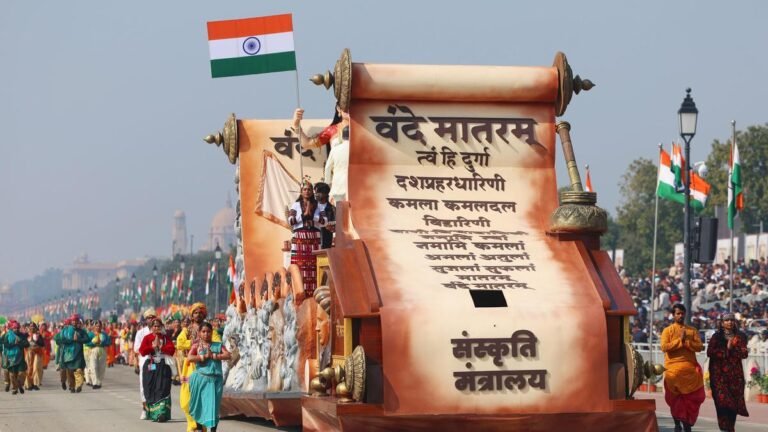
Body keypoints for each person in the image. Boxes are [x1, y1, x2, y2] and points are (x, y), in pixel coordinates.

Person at [661, 304, 706, 432]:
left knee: (690, 400)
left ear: (685, 314)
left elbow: (699, 347)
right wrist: (679, 341)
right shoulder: (667, 331)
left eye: (682, 313)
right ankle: (677, 424)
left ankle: (687, 424)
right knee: (675, 399)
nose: (680, 316)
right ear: (673, 315)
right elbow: (664, 347)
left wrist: (687, 342)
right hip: (673, 370)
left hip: (689, 370)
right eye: (678, 313)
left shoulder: (692, 330)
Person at [178, 303, 221, 432]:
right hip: (190, 366)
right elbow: (180, 343)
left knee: (204, 398)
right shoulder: (187, 330)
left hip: (206, 366)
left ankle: (199, 426)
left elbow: (218, 342)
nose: (198, 315)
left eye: (200, 312)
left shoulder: (209, 330)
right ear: (192, 315)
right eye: (195, 313)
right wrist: (193, 343)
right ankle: (193, 424)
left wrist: (206, 344)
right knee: (186, 400)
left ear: (204, 315)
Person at [707, 313, 750, 432]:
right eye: (727, 320)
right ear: (722, 323)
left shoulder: (740, 337)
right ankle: (724, 427)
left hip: (735, 377)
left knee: (733, 405)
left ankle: (730, 427)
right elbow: (710, 352)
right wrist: (727, 350)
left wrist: (732, 349)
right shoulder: (716, 337)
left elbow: (744, 353)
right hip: (719, 377)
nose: (730, 322)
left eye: (731, 320)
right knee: (722, 403)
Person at [187, 322, 231, 432]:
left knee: (214, 407)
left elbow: (228, 355)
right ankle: (199, 429)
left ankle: (213, 430)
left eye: (208, 332)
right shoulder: (196, 345)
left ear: (212, 333)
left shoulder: (218, 345)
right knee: (199, 405)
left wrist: (214, 355)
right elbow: (189, 358)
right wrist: (203, 357)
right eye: (203, 332)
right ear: (199, 333)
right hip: (200, 379)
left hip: (215, 381)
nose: (206, 334)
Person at [287, 180, 321, 297]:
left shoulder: (317, 205)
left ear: (312, 192)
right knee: (300, 267)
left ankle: (315, 294)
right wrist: (302, 216)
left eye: (309, 190)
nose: (307, 192)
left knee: (314, 266)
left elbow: (324, 220)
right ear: (301, 192)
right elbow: (290, 221)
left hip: (314, 239)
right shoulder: (296, 205)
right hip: (300, 239)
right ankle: (299, 292)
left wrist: (312, 215)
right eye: (305, 189)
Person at [139, 318, 176, 422]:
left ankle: (162, 413)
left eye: (158, 326)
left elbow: (172, 350)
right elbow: (142, 351)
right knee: (150, 388)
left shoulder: (165, 338)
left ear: (162, 327)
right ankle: (152, 413)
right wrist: (152, 347)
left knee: (163, 387)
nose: (156, 328)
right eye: (154, 326)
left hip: (163, 366)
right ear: (151, 327)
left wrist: (161, 346)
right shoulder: (147, 338)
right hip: (151, 364)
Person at [55, 314, 88, 393]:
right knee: (69, 371)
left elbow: (87, 339)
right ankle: (71, 386)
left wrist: (79, 339)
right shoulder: (65, 331)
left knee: (79, 370)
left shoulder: (81, 331)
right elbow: (58, 339)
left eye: (76, 321)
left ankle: (79, 385)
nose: (74, 322)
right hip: (67, 354)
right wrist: (70, 340)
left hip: (78, 355)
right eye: (72, 321)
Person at [134, 309, 156, 419]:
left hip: (158, 362)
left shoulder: (161, 332)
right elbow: (137, 349)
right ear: (146, 320)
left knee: (157, 385)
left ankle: (156, 410)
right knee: (144, 386)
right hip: (145, 362)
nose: (151, 319)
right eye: (148, 318)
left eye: (153, 317)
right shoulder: (141, 332)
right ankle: (145, 409)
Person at [1, 320, 29, 395]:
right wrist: (14, 344)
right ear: (11, 328)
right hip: (11, 359)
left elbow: (27, 344)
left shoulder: (22, 335)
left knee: (22, 373)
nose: (16, 329)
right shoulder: (7, 335)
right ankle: (14, 388)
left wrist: (19, 343)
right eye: (14, 328)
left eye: (17, 328)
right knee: (12, 375)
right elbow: (5, 345)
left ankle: (19, 385)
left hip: (20, 358)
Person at [324, 125, 349, 203]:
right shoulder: (357, 148)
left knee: (339, 212)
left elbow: (328, 167)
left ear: (342, 136)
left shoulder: (335, 149)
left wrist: (328, 183)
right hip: (354, 186)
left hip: (338, 186)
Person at [85, 320, 111, 389]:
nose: (98, 327)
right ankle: (95, 383)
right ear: (94, 326)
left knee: (101, 368)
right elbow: (86, 343)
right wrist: (93, 343)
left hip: (102, 351)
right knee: (93, 367)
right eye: (96, 326)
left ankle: (99, 382)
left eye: (99, 326)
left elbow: (109, 342)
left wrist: (102, 343)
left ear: (101, 326)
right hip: (93, 351)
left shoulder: (104, 334)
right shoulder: (90, 334)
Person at [314, 182, 336, 249]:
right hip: (312, 243)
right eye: (315, 192)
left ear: (325, 194)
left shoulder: (332, 209)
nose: (316, 195)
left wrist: (332, 228)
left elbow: (336, 227)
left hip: (326, 245)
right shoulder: (312, 207)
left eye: (318, 192)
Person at [25, 322, 44, 390]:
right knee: (29, 369)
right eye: (31, 326)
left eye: (33, 327)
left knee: (36, 368)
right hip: (29, 353)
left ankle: (35, 384)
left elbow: (42, 344)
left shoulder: (38, 335)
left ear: (36, 328)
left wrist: (36, 340)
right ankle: (28, 384)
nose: (32, 328)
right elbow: (23, 343)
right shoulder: (26, 335)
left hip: (37, 353)